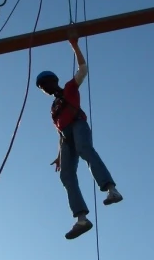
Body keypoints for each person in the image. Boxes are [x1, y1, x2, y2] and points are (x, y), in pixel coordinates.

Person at [36, 38, 123, 240]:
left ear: (54, 81)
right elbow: (60, 133)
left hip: (78, 125)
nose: (46, 88)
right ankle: (81, 219)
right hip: (66, 137)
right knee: (66, 175)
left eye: (46, 84)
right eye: (42, 87)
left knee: (85, 150)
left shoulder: (69, 88)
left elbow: (83, 69)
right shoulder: (53, 109)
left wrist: (74, 45)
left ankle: (112, 190)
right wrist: (59, 156)